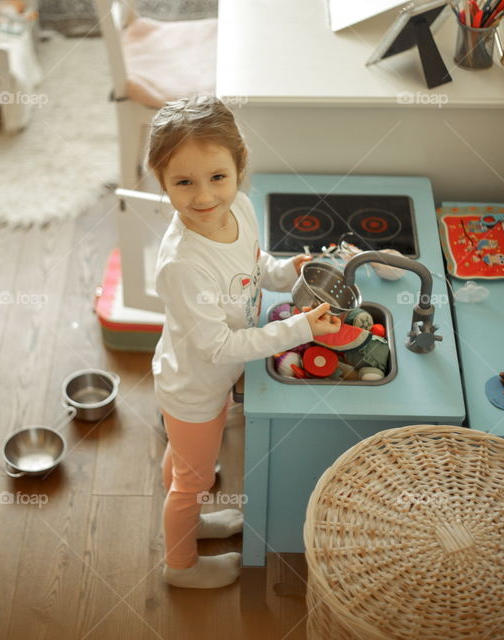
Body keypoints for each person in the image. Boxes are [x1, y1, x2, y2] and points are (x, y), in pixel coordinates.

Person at [147, 95, 340, 589]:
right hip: (194, 387)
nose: (205, 196)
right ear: (161, 181)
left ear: (239, 168)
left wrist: (285, 270)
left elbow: (254, 266)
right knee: (193, 479)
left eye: (217, 177)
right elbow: (219, 347)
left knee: (189, 467)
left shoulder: (244, 209)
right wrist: (298, 330)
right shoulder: (182, 264)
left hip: (205, 381)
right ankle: (180, 565)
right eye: (183, 182)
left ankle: (189, 516)